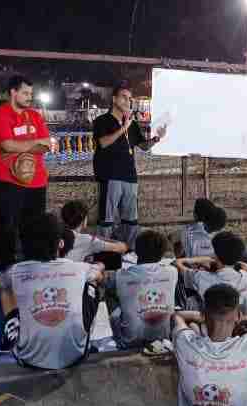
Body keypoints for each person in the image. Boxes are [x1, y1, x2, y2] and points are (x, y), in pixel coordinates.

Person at [0, 213, 105, 370]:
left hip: (28, 359)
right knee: (92, 284)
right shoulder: (80, 268)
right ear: (61, 243)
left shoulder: (15, 271)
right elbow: (99, 276)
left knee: (4, 290)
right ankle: (88, 337)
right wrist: (99, 266)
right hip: (75, 356)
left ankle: (11, 336)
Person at [0, 75, 52, 270]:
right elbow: (6, 145)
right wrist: (34, 143)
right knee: (6, 230)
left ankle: (32, 270)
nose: (29, 97)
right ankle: (7, 272)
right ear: (13, 92)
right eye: (25, 93)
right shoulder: (0, 114)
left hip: (36, 182)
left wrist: (20, 145)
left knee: (34, 230)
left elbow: (47, 145)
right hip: (6, 182)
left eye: (31, 94)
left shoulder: (35, 116)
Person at [93, 84, 166, 245]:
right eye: (124, 97)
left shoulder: (132, 124)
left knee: (131, 219)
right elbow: (103, 143)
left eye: (130, 98)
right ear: (114, 99)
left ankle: (129, 251)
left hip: (130, 176)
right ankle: (104, 252)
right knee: (106, 219)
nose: (128, 101)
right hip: (110, 176)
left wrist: (157, 138)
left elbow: (143, 146)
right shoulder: (102, 121)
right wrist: (123, 128)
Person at [112, 230, 179, 351]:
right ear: (162, 253)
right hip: (163, 338)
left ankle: (120, 339)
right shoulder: (172, 272)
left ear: (136, 251)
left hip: (131, 342)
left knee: (114, 302)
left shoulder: (121, 275)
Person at [174, 232, 247, 317]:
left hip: (209, 322)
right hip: (236, 322)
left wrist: (196, 260)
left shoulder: (200, 277)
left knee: (191, 301)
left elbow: (177, 263)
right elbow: (246, 313)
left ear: (216, 255)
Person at [60, 201, 129, 269]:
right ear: (83, 220)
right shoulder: (87, 240)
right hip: (75, 274)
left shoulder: (56, 233)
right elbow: (122, 248)